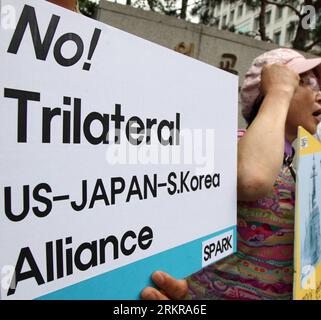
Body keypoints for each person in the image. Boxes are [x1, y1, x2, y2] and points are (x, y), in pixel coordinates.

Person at [141, 48, 321, 300]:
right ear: (268, 91)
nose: (318, 94)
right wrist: (279, 92)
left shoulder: (302, 164)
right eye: (305, 83)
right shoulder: (234, 144)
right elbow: (252, 179)